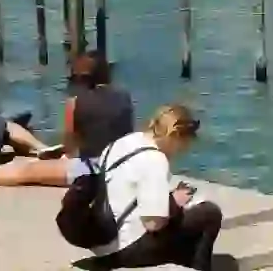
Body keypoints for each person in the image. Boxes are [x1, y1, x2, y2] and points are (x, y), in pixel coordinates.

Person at [0, 52, 134, 188]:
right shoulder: (125, 96)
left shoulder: (75, 103)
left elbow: (71, 150)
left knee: (27, 171)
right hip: (123, 164)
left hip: (93, 169)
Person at [88, 105, 223, 271]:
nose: (181, 152)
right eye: (183, 145)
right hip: (125, 250)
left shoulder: (122, 143)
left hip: (102, 243)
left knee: (184, 225)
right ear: (175, 136)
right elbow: (153, 224)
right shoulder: (155, 159)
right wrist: (174, 203)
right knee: (210, 213)